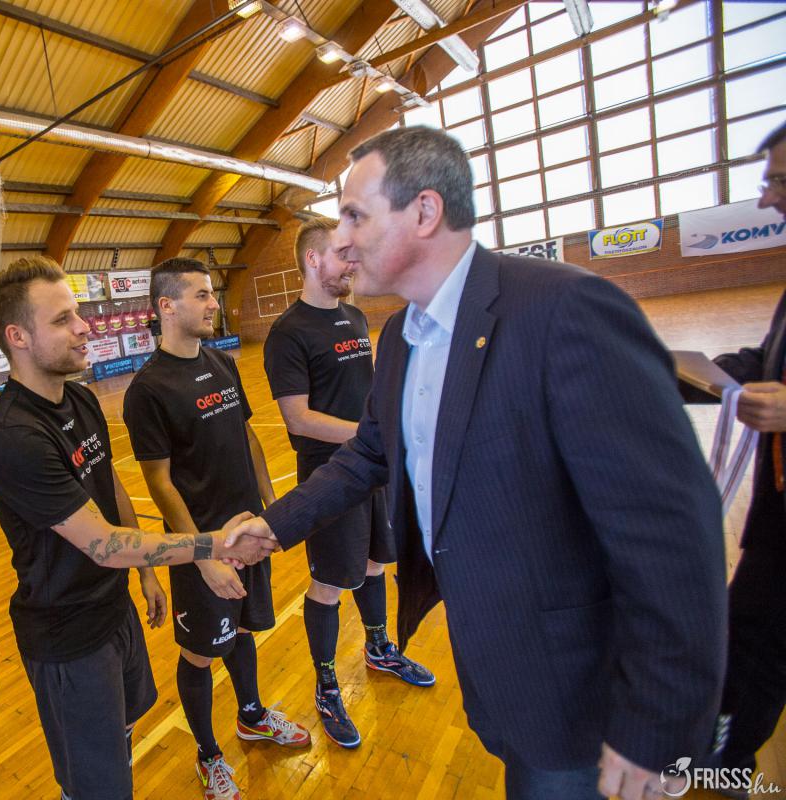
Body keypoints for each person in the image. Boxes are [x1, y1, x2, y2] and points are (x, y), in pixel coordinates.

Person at [226, 127, 727, 800]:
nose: (341, 240)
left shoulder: (564, 308)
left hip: (577, 695)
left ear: (425, 212)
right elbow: (370, 452)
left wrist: (658, 732)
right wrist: (274, 524)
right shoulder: (402, 336)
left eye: (355, 216)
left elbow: (672, 533)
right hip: (498, 669)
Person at [0, 256, 272, 800]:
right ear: (17, 337)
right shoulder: (14, 437)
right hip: (68, 638)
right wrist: (209, 546)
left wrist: (147, 577)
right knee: (97, 782)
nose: (84, 327)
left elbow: (111, 490)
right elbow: (104, 544)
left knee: (124, 738)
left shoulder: (80, 399)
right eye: (63, 319)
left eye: (77, 313)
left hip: (115, 611)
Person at [122, 258, 310, 800]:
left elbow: (247, 437)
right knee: (202, 653)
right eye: (202, 295)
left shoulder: (222, 363)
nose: (213, 304)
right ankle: (208, 755)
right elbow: (159, 483)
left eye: (212, 294)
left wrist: (273, 508)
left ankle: (252, 717)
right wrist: (201, 554)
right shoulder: (148, 390)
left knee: (244, 630)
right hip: (201, 548)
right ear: (167, 306)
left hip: (250, 535)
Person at [263, 217, 434, 750]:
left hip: (374, 466)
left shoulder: (356, 316)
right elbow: (298, 420)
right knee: (331, 583)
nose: (353, 264)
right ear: (313, 259)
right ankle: (326, 684)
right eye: (343, 255)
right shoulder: (288, 332)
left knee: (377, 562)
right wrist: (372, 434)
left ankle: (379, 649)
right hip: (331, 477)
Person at [713, 121, 786, 790]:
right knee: (744, 625)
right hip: (775, 513)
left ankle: (732, 765)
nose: (766, 199)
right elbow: (766, 360)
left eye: (778, 182)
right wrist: (682, 371)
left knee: (765, 648)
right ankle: (721, 739)